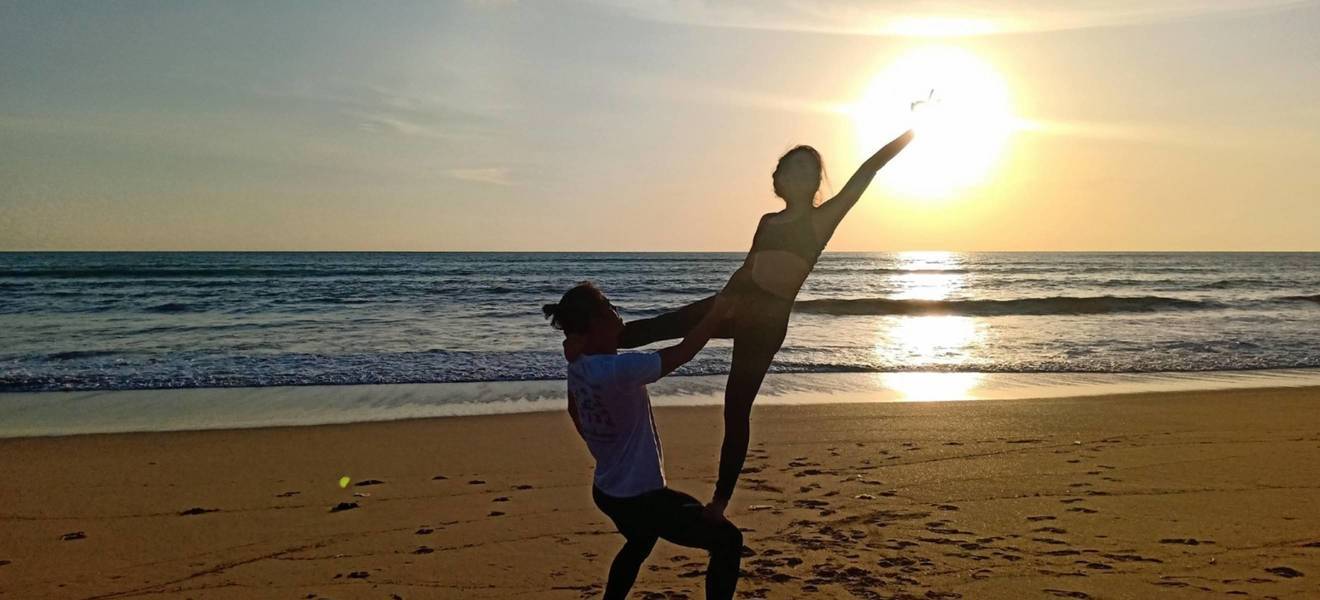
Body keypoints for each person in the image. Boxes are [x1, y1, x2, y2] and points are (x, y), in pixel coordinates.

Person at [604, 130, 915, 520]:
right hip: (735, 301)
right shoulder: (768, 220)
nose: (798, 174)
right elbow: (747, 267)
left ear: (817, 182)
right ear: (778, 179)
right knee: (665, 324)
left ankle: (719, 502)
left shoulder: (823, 219)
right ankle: (596, 344)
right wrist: (718, 305)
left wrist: (911, 133)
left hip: (767, 322)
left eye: (808, 169)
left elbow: (868, 169)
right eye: (791, 168)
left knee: (736, 407)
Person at [544, 282, 742, 600]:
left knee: (641, 540)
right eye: (609, 306)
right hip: (641, 498)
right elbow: (682, 353)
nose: (616, 311)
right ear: (595, 323)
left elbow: (572, 408)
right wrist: (715, 316)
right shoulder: (619, 369)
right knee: (728, 541)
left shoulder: (579, 365)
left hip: (607, 490)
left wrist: (601, 444)